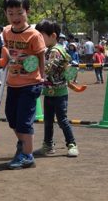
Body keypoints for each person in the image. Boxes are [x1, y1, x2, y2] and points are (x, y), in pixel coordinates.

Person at [2, 0, 46, 169]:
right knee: (12, 118)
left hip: (30, 84)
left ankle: (27, 156)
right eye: (10, 13)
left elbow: (41, 56)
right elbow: (6, 51)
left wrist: (42, 76)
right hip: (12, 83)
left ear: (27, 11)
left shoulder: (34, 35)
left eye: (19, 12)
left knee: (24, 121)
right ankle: (22, 145)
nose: (15, 17)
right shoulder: (6, 32)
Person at [34, 19, 79, 157]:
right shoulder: (49, 50)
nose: (39, 40)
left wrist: (33, 67)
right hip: (50, 91)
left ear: (53, 36)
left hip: (59, 92)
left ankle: (72, 144)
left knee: (62, 120)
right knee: (48, 121)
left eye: (41, 36)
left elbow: (48, 69)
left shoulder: (55, 51)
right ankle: (47, 145)